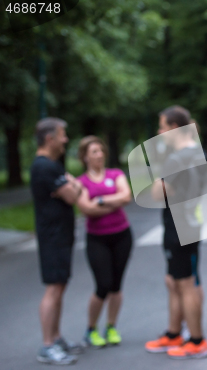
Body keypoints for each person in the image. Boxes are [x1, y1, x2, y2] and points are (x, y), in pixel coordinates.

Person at [144, 106, 207, 359]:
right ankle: (174, 334)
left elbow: (156, 192)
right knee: (177, 281)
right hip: (188, 222)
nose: (159, 132)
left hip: (179, 226)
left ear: (174, 127)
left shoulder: (176, 158)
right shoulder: (196, 152)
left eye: (162, 126)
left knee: (187, 283)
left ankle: (197, 340)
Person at [30, 117, 84, 365]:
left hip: (60, 235)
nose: (65, 139)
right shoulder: (45, 167)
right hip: (52, 237)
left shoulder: (52, 165)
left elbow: (73, 188)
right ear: (50, 138)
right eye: (62, 135)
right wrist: (72, 185)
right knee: (53, 288)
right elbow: (74, 195)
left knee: (59, 286)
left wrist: (71, 185)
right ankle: (47, 345)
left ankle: (56, 337)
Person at [75, 136, 133, 347]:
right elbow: (86, 209)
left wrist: (99, 200)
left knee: (116, 285)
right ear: (84, 157)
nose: (99, 155)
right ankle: (91, 329)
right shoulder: (80, 182)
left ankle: (111, 327)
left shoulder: (115, 174)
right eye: (94, 152)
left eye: (101, 150)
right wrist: (113, 202)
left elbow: (126, 196)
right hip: (97, 239)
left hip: (122, 235)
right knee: (103, 284)